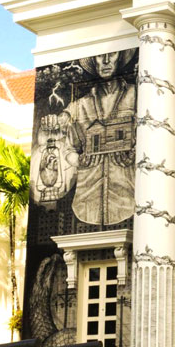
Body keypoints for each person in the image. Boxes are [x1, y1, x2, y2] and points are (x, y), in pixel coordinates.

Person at [31, 51, 136, 225]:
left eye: (113, 54)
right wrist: (80, 160)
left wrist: (133, 154)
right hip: (86, 204)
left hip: (126, 200)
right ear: (94, 61)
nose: (106, 61)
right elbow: (68, 148)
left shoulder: (136, 94)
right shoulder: (82, 104)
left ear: (121, 58)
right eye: (100, 56)